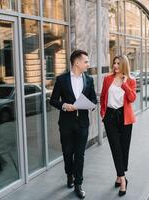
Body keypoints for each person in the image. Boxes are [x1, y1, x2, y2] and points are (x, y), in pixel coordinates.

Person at [50, 49, 97, 199]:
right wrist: (65, 105)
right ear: (76, 62)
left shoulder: (89, 80)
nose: (88, 64)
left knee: (80, 155)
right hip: (66, 124)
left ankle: (78, 183)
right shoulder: (62, 79)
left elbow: (94, 101)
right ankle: (69, 174)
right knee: (68, 153)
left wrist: (90, 105)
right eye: (86, 61)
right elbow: (53, 100)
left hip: (83, 123)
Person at [100, 55, 136, 196]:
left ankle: (118, 175)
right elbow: (103, 97)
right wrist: (103, 113)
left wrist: (125, 84)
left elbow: (132, 98)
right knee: (115, 148)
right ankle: (123, 180)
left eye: (118, 63)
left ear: (124, 65)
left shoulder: (131, 80)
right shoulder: (107, 79)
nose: (115, 66)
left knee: (123, 149)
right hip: (110, 117)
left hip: (125, 118)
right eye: (114, 63)